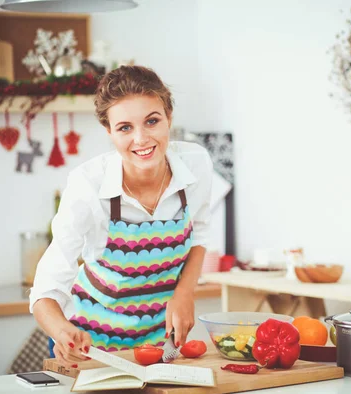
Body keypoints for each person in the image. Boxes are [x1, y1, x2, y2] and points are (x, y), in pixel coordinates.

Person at [30, 65, 213, 369]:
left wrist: (184, 291)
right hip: (90, 346)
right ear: (109, 132)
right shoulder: (88, 185)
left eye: (152, 121)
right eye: (125, 127)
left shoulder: (196, 165)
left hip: (158, 345)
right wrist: (61, 331)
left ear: (169, 118)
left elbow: (201, 235)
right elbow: (46, 285)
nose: (141, 139)